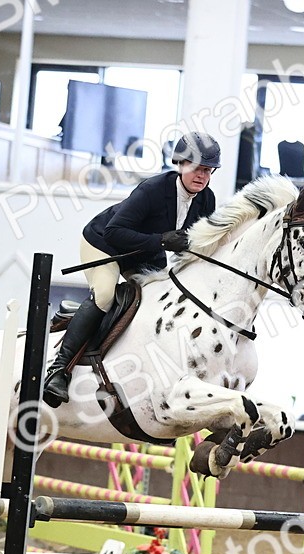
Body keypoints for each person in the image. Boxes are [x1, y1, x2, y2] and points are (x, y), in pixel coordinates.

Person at [41, 132, 221, 408]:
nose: (202, 176)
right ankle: (58, 369)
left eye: (208, 171)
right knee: (104, 295)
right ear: (181, 164)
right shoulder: (153, 189)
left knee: (164, 301)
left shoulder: (206, 199)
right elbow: (114, 231)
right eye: (197, 168)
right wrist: (161, 240)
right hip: (104, 244)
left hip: (145, 253)